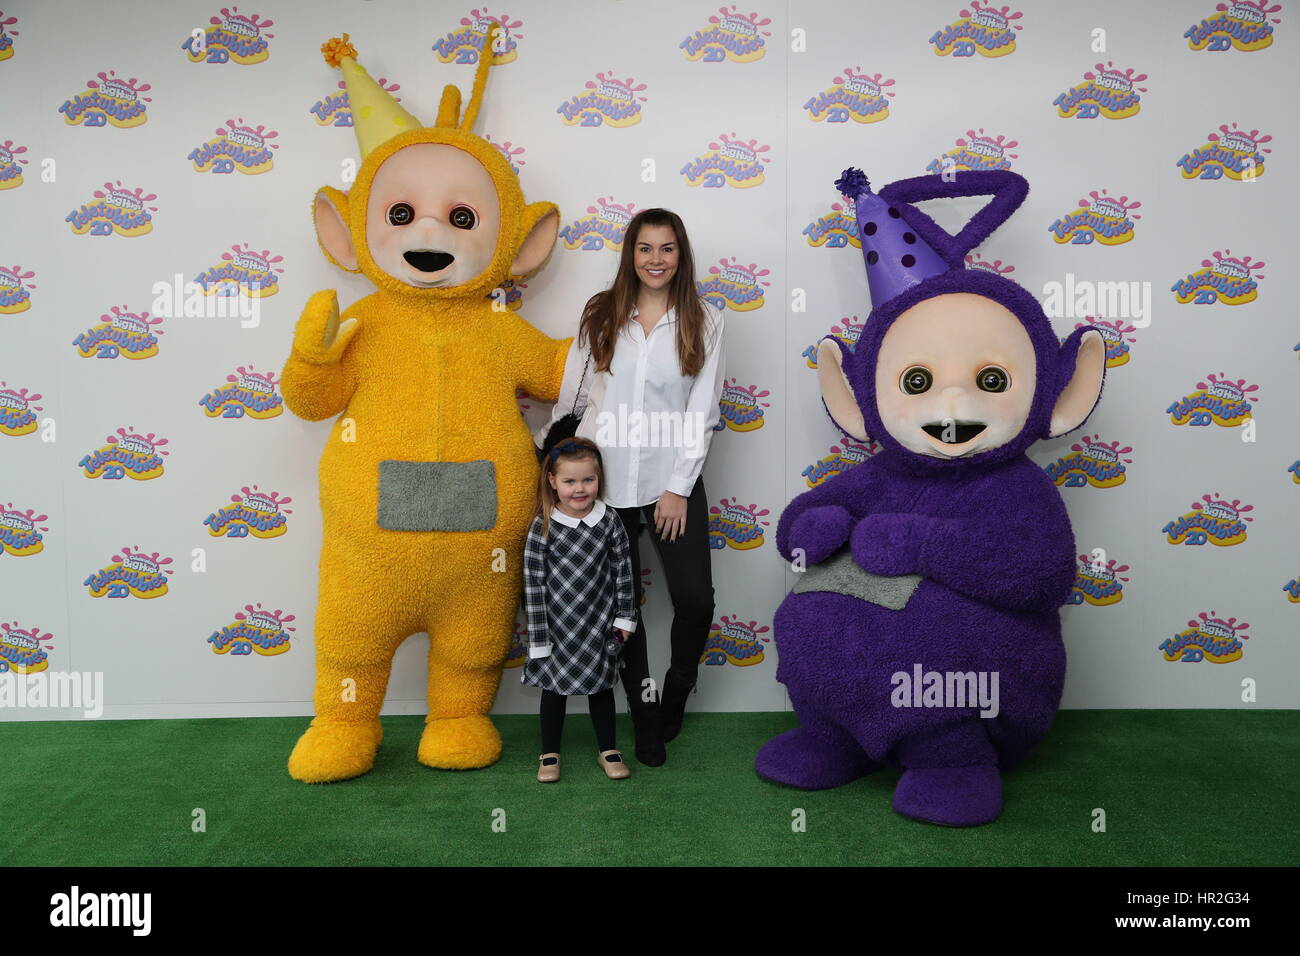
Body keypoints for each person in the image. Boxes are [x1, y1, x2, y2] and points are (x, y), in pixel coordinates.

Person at [535, 208, 725, 766]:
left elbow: (702, 408)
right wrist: (548, 453)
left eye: (667, 249)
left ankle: (675, 694)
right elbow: (575, 393)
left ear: (681, 255)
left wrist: (676, 487)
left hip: (672, 479)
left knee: (694, 600)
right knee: (621, 608)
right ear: (631, 254)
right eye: (646, 248)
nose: (656, 260)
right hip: (602, 481)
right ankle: (642, 715)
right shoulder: (602, 311)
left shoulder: (706, 319)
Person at [522, 437, 638, 782]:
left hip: (599, 626)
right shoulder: (542, 525)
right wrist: (540, 637)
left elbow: (624, 571)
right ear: (553, 481)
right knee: (554, 691)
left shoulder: (610, 521)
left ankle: (608, 749)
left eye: (588, 479)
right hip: (557, 629)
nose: (579, 488)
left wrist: (625, 618)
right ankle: (549, 753)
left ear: (599, 479)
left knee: (601, 688)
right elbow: (533, 585)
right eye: (570, 481)